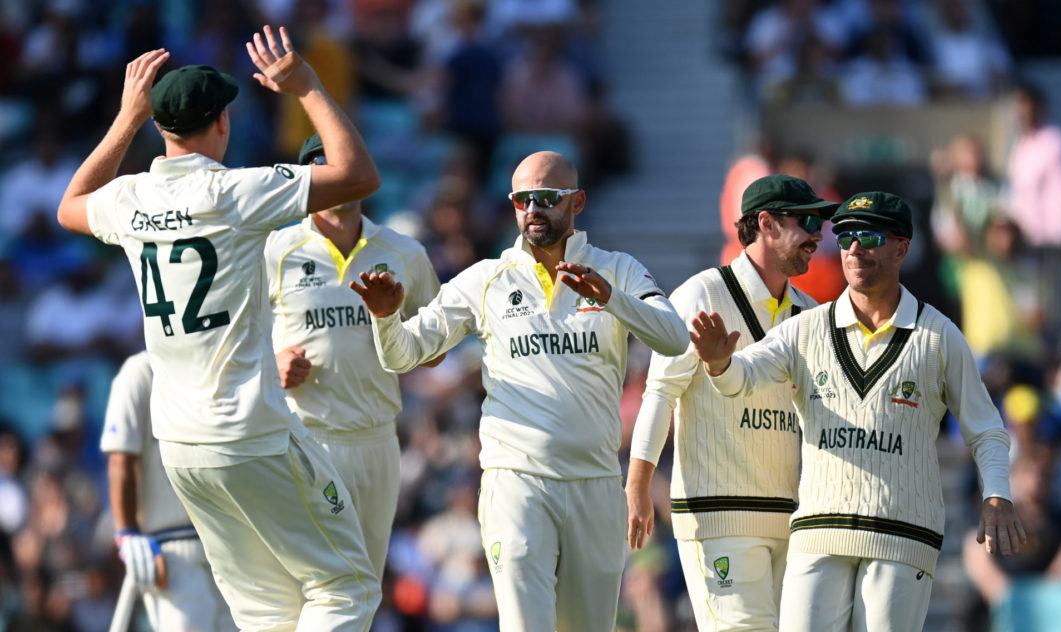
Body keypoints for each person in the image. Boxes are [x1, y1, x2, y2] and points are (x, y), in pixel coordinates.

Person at [56, 26, 383, 629]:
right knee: (348, 586)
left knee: (264, 610)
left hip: (180, 445)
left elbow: (69, 204)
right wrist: (307, 86)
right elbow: (359, 175)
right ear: (223, 123)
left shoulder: (128, 199)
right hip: (249, 432)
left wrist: (127, 118)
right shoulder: (237, 191)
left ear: (160, 127)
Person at [350, 150, 690, 631]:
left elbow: (674, 337)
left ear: (577, 202)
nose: (533, 208)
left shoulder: (618, 269)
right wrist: (385, 317)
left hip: (594, 482)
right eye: (521, 198)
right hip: (516, 481)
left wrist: (609, 299)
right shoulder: (485, 280)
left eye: (546, 197)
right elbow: (403, 355)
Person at [689, 191, 1027, 631]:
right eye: (845, 235)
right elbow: (743, 378)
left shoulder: (938, 336)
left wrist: (997, 492)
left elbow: (986, 429)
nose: (853, 249)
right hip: (818, 532)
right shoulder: (805, 328)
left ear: (902, 247)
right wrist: (719, 362)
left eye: (868, 236)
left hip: (902, 535)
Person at [627, 174, 838, 631]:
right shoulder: (701, 294)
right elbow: (660, 392)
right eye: (806, 221)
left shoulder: (809, 311)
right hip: (717, 514)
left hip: (789, 516)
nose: (817, 236)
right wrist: (638, 485)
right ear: (766, 223)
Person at [266, 132, 443, 582]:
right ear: (309, 181)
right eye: (325, 173)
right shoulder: (274, 251)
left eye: (345, 170)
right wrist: (272, 365)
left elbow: (435, 354)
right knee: (317, 587)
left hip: (379, 440)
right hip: (305, 437)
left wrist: (392, 322)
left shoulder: (405, 254)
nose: (338, 183)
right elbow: (234, 339)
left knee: (364, 586)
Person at [101, 351, 237, 631]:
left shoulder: (216, 362)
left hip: (230, 542)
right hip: (173, 551)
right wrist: (127, 533)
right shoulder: (139, 372)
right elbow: (120, 459)